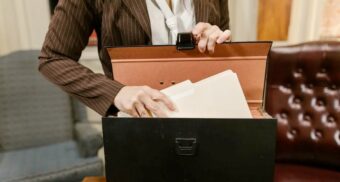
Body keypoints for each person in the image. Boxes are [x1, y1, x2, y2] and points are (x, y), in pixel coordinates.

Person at [39, 0, 231, 117]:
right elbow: (53, 57)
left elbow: (222, 54)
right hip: (137, 128)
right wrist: (116, 93)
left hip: (207, 120)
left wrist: (218, 43)